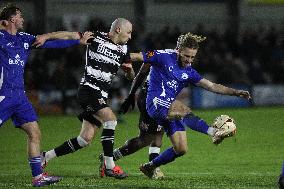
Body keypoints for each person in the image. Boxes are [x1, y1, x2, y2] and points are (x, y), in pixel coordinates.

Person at [128, 32, 251, 178]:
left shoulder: (190, 72)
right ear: (178, 50)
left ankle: (150, 166)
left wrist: (235, 92)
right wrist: (118, 58)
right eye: (186, 56)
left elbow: (212, 86)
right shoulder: (164, 56)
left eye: (192, 57)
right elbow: (136, 56)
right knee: (182, 108)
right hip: (155, 103)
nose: (189, 60)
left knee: (181, 149)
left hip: (170, 110)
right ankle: (213, 132)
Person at [0, 4, 92, 187]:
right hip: (3, 96)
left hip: (19, 97)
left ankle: (38, 177)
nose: (23, 19)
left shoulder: (24, 39)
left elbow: (52, 42)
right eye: (20, 16)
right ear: (12, 19)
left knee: (34, 133)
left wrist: (77, 40)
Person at [41, 18, 135, 179]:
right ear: (118, 29)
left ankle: (45, 156)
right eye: (129, 32)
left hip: (101, 95)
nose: (131, 36)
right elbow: (69, 36)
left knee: (84, 139)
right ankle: (109, 165)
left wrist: (129, 71)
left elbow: (131, 75)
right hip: (88, 90)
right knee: (111, 120)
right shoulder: (96, 37)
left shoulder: (124, 49)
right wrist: (46, 37)